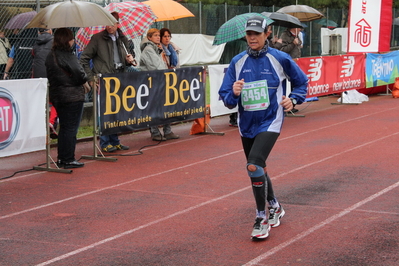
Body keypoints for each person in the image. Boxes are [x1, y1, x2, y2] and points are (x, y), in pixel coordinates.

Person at [218, 16, 308, 240]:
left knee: (253, 165)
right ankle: (275, 206)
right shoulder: (237, 62)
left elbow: (301, 82)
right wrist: (235, 92)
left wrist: (294, 100)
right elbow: (227, 99)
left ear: (267, 33)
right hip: (246, 123)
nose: (251, 38)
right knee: (257, 167)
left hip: (271, 120)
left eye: (256, 34)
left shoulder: (280, 58)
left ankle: (262, 218)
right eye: (248, 34)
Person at [80, 12, 134, 152]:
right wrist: (91, 78)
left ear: (117, 24)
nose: (109, 27)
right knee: (105, 112)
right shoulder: (97, 38)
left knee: (117, 111)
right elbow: (84, 59)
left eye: (112, 24)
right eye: (107, 23)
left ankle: (115, 141)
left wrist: (129, 61)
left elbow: (127, 59)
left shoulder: (123, 39)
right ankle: (105, 142)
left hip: (119, 79)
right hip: (104, 81)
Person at [45, 28, 90, 169]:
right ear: (67, 40)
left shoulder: (50, 56)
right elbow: (80, 74)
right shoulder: (68, 55)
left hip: (57, 95)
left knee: (64, 128)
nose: (74, 41)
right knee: (71, 128)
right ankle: (68, 158)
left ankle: (62, 158)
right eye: (72, 38)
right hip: (72, 96)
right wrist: (84, 81)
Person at [140, 28, 179, 141]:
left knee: (166, 106)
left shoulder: (157, 49)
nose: (158, 37)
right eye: (155, 35)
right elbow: (157, 67)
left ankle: (167, 131)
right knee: (154, 107)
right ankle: (155, 132)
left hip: (160, 81)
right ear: (149, 37)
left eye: (158, 35)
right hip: (152, 82)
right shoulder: (148, 49)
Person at [32, 28, 58, 139]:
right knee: (57, 99)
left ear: (39, 32)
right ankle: (51, 122)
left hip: (37, 77)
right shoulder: (55, 42)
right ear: (50, 31)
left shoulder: (35, 44)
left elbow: (33, 55)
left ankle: (39, 127)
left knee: (41, 102)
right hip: (52, 74)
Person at [219, 38, 247, 127]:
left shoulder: (229, 43)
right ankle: (236, 116)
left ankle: (233, 116)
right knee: (238, 92)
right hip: (239, 71)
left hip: (227, 70)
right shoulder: (243, 44)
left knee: (231, 92)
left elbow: (222, 59)